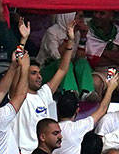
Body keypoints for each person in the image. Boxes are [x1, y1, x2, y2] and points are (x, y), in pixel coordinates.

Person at [13, 20, 74, 154]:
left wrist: (70, 41)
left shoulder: (44, 94)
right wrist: (23, 41)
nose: (39, 76)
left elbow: (63, 70)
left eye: (39, 73)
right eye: (34, 73)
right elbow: (17, 66)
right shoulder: (18, 97)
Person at [54, 74, 116, 154]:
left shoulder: (49, 129)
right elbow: (102, 109)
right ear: (77, 110)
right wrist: (110, 89)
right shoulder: (77, 128)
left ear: (57, 109)